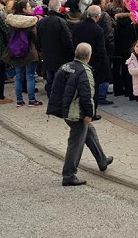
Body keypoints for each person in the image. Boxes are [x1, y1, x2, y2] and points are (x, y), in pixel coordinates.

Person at [47, 43, 113, 186]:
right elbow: (87, 95)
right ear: (89, 56)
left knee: (90, 132)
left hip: (66, 111)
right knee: (76, 143)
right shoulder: (84, 71)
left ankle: (102, 160)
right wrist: (90, 114)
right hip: (77, 113)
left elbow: (55, 89)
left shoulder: (65, 66)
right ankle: (69, 175)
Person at [3, 0, 42, 107]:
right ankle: (31, 100)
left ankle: (19, 100)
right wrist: (39, 49)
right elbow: (35, 37)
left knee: (18, 76)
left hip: (15, 51)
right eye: (29, 6)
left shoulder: (11, 21)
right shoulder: (30, 21)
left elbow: (8, 35)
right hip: (29, 52)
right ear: (24, 9)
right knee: (30, 76)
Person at [72, 5, 110, 118]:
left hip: (78, 59)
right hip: (94, 63)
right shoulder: (98, 29)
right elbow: (101, 49)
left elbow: (73, 41)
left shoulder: (77, 26)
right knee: (93, 89)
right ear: (98, 16)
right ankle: (91, 112)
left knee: (81, 87)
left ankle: (80, 110)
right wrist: (104, 64)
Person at [36, 0, 75, 97]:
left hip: (48, 54)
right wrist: (72, 53)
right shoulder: (61, 21)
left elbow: (38, 39)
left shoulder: (41, 22)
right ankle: (58, 98)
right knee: (60, 79)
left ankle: (51, 96)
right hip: (61, 56)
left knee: (50, 78)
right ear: (58, 9)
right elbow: (67, 40)